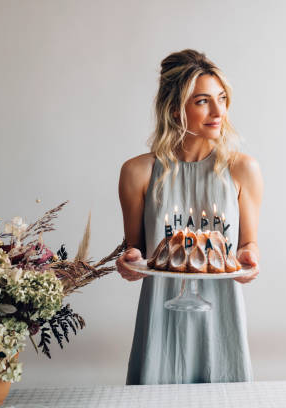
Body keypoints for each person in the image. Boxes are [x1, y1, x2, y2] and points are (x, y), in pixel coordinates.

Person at [115, 49, 263, 385]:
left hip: (220, 316)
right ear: (173, 108)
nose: (218, 111)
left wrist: (248, 257)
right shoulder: (137, 172)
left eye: (222, 98)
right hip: (161, 317)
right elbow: (135, 250)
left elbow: (248, 244)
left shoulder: (243, 169)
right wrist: (129, 260)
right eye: (202, 101)